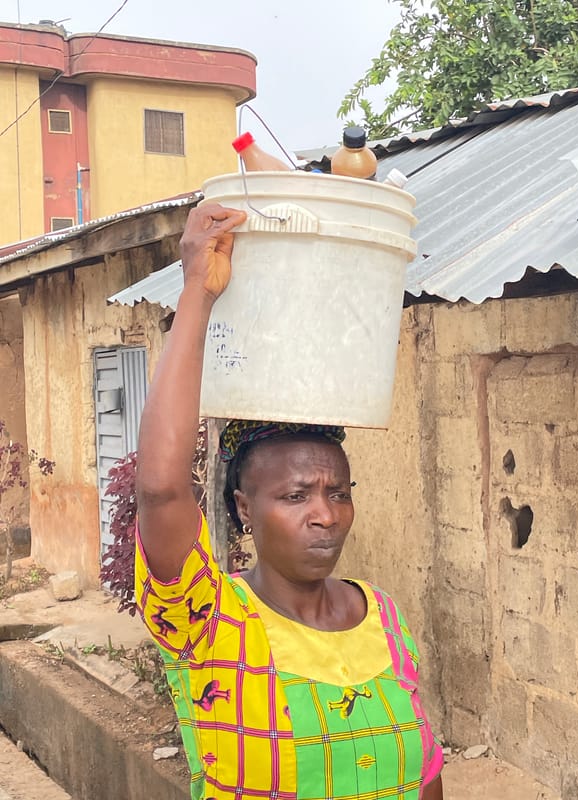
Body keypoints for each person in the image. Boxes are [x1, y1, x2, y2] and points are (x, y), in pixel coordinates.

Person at [134, 202, 444, 800]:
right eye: (295, 495)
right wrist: (197, 289)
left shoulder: (382, 615)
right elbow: (161, 488)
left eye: (338, 493)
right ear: (245, 509)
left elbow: (425, 770)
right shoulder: (212, 621)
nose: (325, 515)